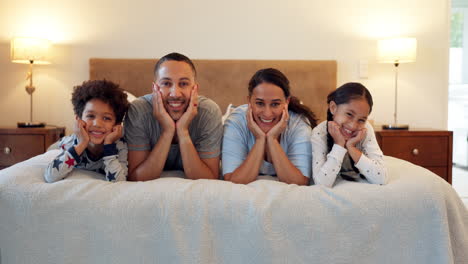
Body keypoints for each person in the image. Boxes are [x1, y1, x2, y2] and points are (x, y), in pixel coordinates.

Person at [124, 52, 222, 181]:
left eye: (183, 84)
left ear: (195, 89)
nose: (175, 93)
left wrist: (183, 131)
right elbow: (137, 177)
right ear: (154, 88)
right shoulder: (139, 111)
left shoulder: (209, 113)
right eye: (166, 83)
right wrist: (168, 131)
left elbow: (209, 179)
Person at [222, 68, 316, 185]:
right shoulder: (236, 121)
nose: (267, 113)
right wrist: (260, 139)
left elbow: (299, 182)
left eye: (275, 104)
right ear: (249, 102)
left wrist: (272, 139)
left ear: (286, 102)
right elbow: (234, 181)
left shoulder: (299, 124)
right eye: (260, 103)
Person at [44, 80, 129, 183]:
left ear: (117, 125)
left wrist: (108, 145)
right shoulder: (71, 144)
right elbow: (50, 177)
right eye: (90, 116)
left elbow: (119, 182)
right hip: (58, 145)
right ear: (78, 120)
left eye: (106, 118)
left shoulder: (120, 146)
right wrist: (82, 143)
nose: (97, 124)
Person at [310, 82, 387, 187]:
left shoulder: (365, 130)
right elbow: (322, 183)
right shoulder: (319, 133)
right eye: (349, 114)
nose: (353, 125)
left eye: (361, 120)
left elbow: (381, 178)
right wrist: (339, 144)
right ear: (333, 108)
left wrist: (351, 147)